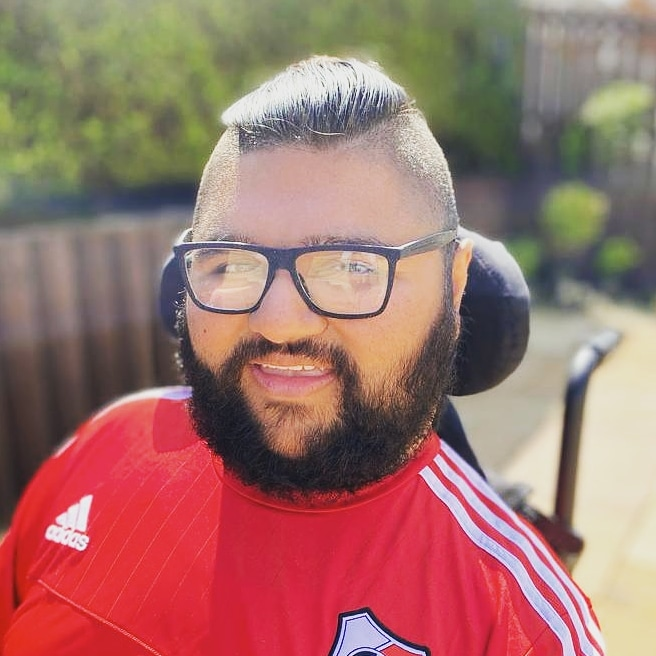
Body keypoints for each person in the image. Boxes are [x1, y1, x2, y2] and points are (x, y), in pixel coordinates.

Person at [0, 56, 604, 655]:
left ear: (454, 284)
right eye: (231, 263)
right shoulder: (98, 454)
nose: (279, 321)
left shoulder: (517, 622)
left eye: (351, 267)